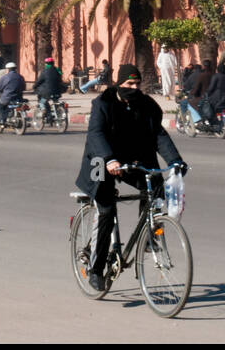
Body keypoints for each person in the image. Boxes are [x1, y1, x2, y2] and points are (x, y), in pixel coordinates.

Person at [73, 64, 186, 291]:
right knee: (106, 209)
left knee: (155, 186)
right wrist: (109, 159)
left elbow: (158, 135)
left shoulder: (146, 106)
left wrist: (175, 160)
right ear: (119, 84)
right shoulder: (103, 104)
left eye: (137, 84)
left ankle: (149, 236)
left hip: (131, 160)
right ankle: (96, 269)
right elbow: (96, 134)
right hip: (99, 159)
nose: (133, 88)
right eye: (128, 84)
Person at [0, 61, 26, 126]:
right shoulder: (20, 77)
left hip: (8, 97)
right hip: (19, 97)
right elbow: (24, 87)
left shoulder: (5, 77)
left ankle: (2, 119)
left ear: (8, 69)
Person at [205, 61, 225, 129]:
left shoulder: (215, 76)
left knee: (211, 108)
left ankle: (214, 123)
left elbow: (211, 87)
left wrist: (208, 93)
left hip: (217, 97)